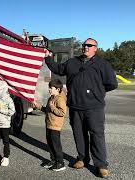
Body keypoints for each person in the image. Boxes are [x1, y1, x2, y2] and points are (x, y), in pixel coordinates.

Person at [44, 38, 118, 178]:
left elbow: (112, 84)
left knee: (97, 135)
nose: (85, 47)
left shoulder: (102, 64)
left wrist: (97, 92)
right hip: (75, 107)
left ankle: (101, 164)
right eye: (84, 45)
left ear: (95, 48)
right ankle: (82, 159)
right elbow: (58, 69)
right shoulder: (73, 62)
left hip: (94, 108)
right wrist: (48, 58)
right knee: (79, 134)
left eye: (89, 45)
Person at [33, 79, 67, 171]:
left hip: (55, 126)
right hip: (49, 125)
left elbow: (62, 112)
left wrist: (52, 107)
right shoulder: (51, 98)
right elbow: (46, 110)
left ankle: (60, 163)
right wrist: (37, 106)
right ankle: (53, 160)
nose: (49, 90)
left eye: (51, 88)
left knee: (56, 145)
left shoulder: (60, 99)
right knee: (50, 144)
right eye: (49, 88)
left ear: (58, 89)